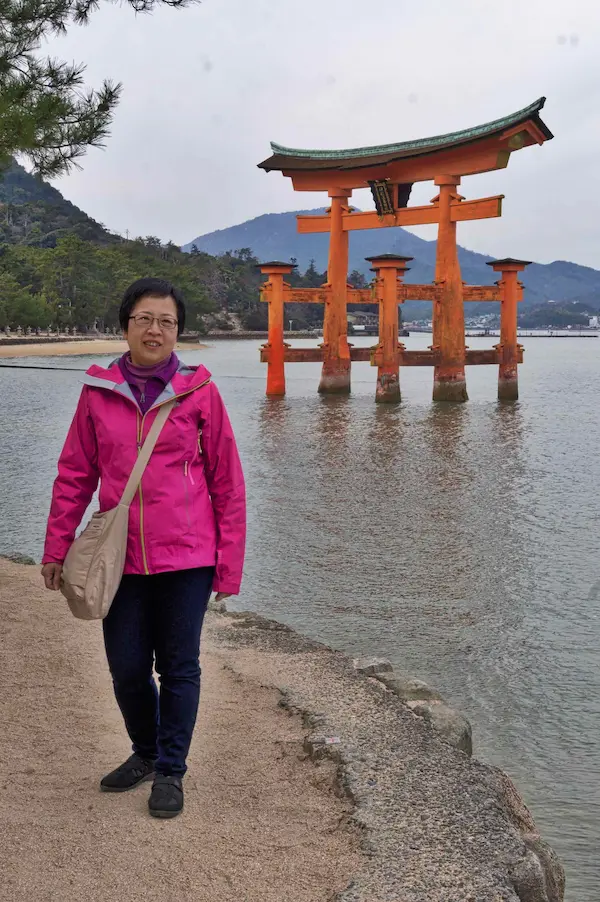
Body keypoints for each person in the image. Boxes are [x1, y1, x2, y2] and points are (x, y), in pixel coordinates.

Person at [41, 277, 246, 819]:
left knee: (179, 666)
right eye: (144, 319)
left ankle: (171, 770)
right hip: (121, 555)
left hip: (189, 555)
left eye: (167, 322)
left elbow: (227, 481)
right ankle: (146, 751)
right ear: (126, 324)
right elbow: (75, 473)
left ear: (178, 330)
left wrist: (229, 564)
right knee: (127, 666)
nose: (155, 330)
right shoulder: (98, 391)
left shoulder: (199, 390)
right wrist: (56, 546)